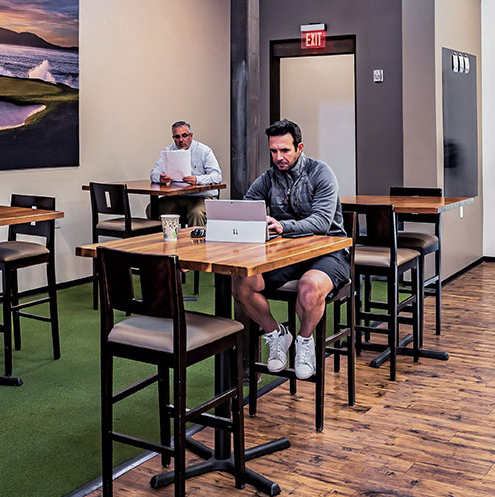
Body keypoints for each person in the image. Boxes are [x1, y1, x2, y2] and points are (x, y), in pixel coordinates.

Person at [232, 118, 349, 380]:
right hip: (288, 254)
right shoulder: (269, 178)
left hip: (329, 251)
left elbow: (321, 222)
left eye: (285, 150)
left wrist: (283, 226)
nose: (279, 157)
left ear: (299, 147)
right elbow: (247, 206)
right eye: (274, 151)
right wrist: (253, 217)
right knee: (242, 283)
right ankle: (276, 333)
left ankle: (304, 341)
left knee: (309, 288)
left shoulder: (321, 173)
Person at [149, 120, 222, 227]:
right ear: (173, 138)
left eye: (184, 135)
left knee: (196, 213)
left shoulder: (204, 151)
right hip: (177, 196)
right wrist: (160, 178)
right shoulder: (169, 151)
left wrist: (197, 180)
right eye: (177, 137)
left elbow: (217, 176)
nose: (181, 140)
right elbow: (153, 173)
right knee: (152, 209)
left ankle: (196, 243)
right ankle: (165, 241)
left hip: (202, 197)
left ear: (191, 135)